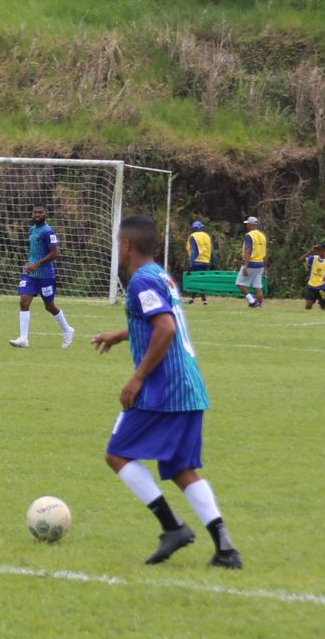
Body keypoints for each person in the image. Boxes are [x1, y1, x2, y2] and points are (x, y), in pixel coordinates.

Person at [90, 215, 241, 569]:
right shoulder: (160, 275)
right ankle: (226, 549)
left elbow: (165, 328)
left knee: (118, 454)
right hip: (188, 387)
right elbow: (155, 319)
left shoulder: (142, 280)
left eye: (117, 242)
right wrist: (120, 334)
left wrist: (138, 377)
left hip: (163, 389)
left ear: (126, 245)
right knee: (180, 468)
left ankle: (172, 527)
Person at [10, 205, 75, 349]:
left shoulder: (48, 232)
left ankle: (67, 330)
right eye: (35, 212)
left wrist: (37, 264)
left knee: (49, 306)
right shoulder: (32, 229)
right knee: (24, 302)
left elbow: (55, 253)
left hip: (45, 276)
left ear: (46, 215)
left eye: (40, 212)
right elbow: (35, 251)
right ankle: (23, 339)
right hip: (31, 274)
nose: (37, 214)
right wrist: (30, 263)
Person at [237, 216, 267, 308]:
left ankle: (252, 302)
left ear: (250, 225)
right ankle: (260, 304)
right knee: (258, 286)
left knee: (240, 284)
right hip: (260, 263)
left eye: (247, 224)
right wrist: (265, 265)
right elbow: (265, 251)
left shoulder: (249, 235)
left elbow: (248, 250)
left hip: (251, 263)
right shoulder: (262, 236)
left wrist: (245, 266)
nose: (247, 226)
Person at [185, 220, 213, 306]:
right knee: (201, 280)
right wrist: (213, 262)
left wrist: (190, 264)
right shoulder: (207, 236)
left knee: (195, 281)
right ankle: (196, 300)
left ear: (194, 228)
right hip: (206, 261)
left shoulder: (193, 236)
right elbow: (212, 249)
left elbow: (193, 251)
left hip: (197, 261)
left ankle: (200, 300)